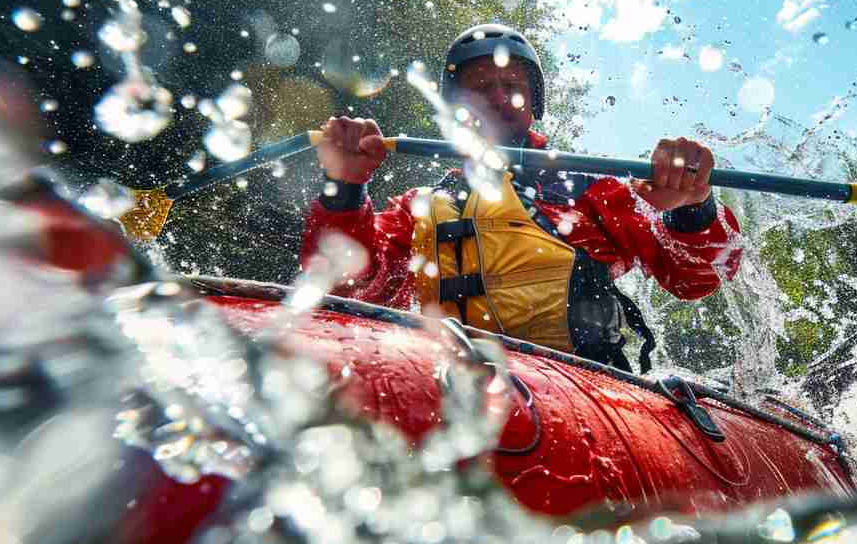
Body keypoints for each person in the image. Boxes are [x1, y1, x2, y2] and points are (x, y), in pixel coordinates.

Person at [300, 24, 743, 372]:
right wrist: (345, 186)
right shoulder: (420, 207)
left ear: (533, 103)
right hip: (453, 385)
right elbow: (351, 287)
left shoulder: (591, 190)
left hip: (584, 389)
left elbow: (696, 277)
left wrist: (692, 206)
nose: (496, 97)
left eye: (511, 85)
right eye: (479, 87)